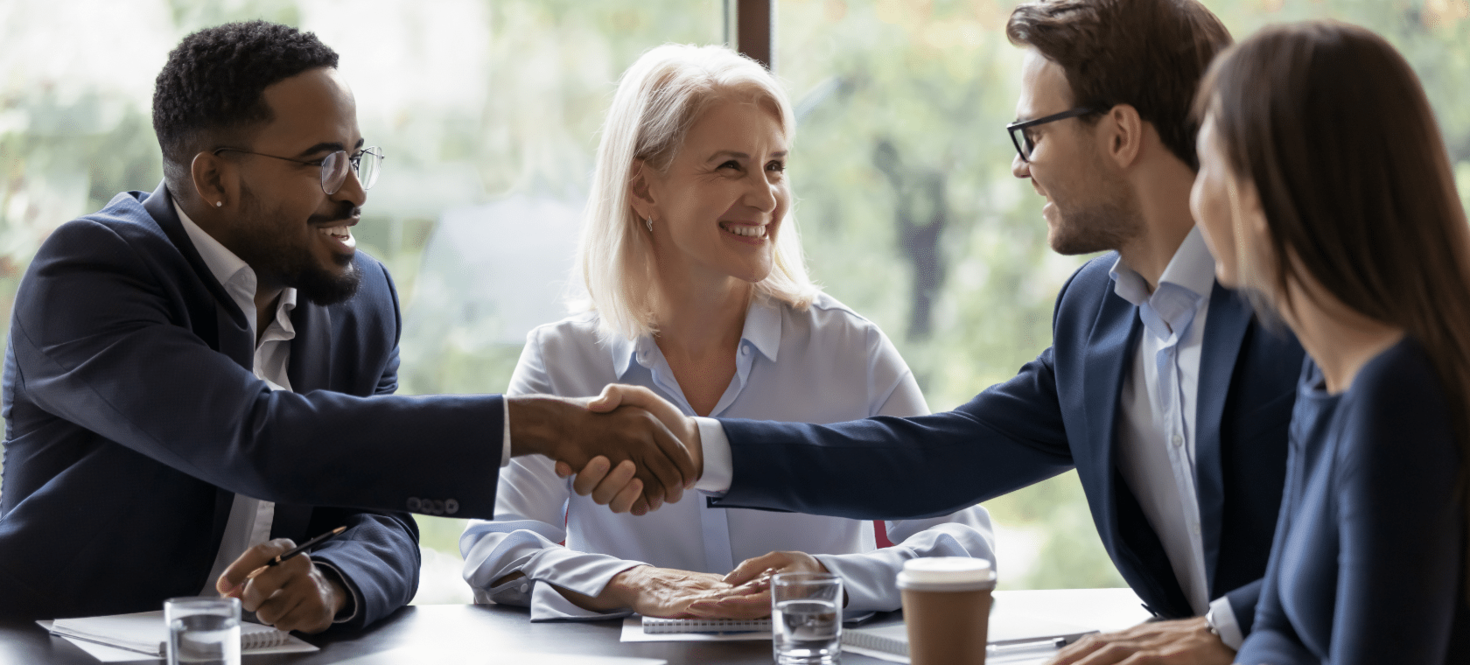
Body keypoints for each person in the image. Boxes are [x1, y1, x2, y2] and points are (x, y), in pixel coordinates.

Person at [579, 1, 1306, 662]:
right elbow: (935, 457)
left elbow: (1367, 528)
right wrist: (695, 445)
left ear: (1119, 134)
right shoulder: (1095, 315)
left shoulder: (1310, 297)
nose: (1020, 166)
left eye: (1033, 134)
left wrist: (1227, 627)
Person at [0, 21, 694, 629]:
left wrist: (334, 582)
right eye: (323, 162)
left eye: (356, 157)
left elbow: (382, 518)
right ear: (214, 180)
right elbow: (256, 435)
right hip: (57, 648)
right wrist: (541, 425)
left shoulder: (361, 301)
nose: (355, 191)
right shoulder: (88, 276)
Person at [459, 44, 995, 622]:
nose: (765, 198)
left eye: (775, 167)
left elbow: (962, 545)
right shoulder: (562, 359)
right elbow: (496, 553)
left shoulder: (851, 351)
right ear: (643, 188)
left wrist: (827, 579)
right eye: (730, 167)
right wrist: (631, 582)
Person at [1190, 21, 1470, 664]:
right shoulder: (1329, 373)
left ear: (1260, 196)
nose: (1194, 197)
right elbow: (1277, 627)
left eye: (1205, 165)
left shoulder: (1398, 394)